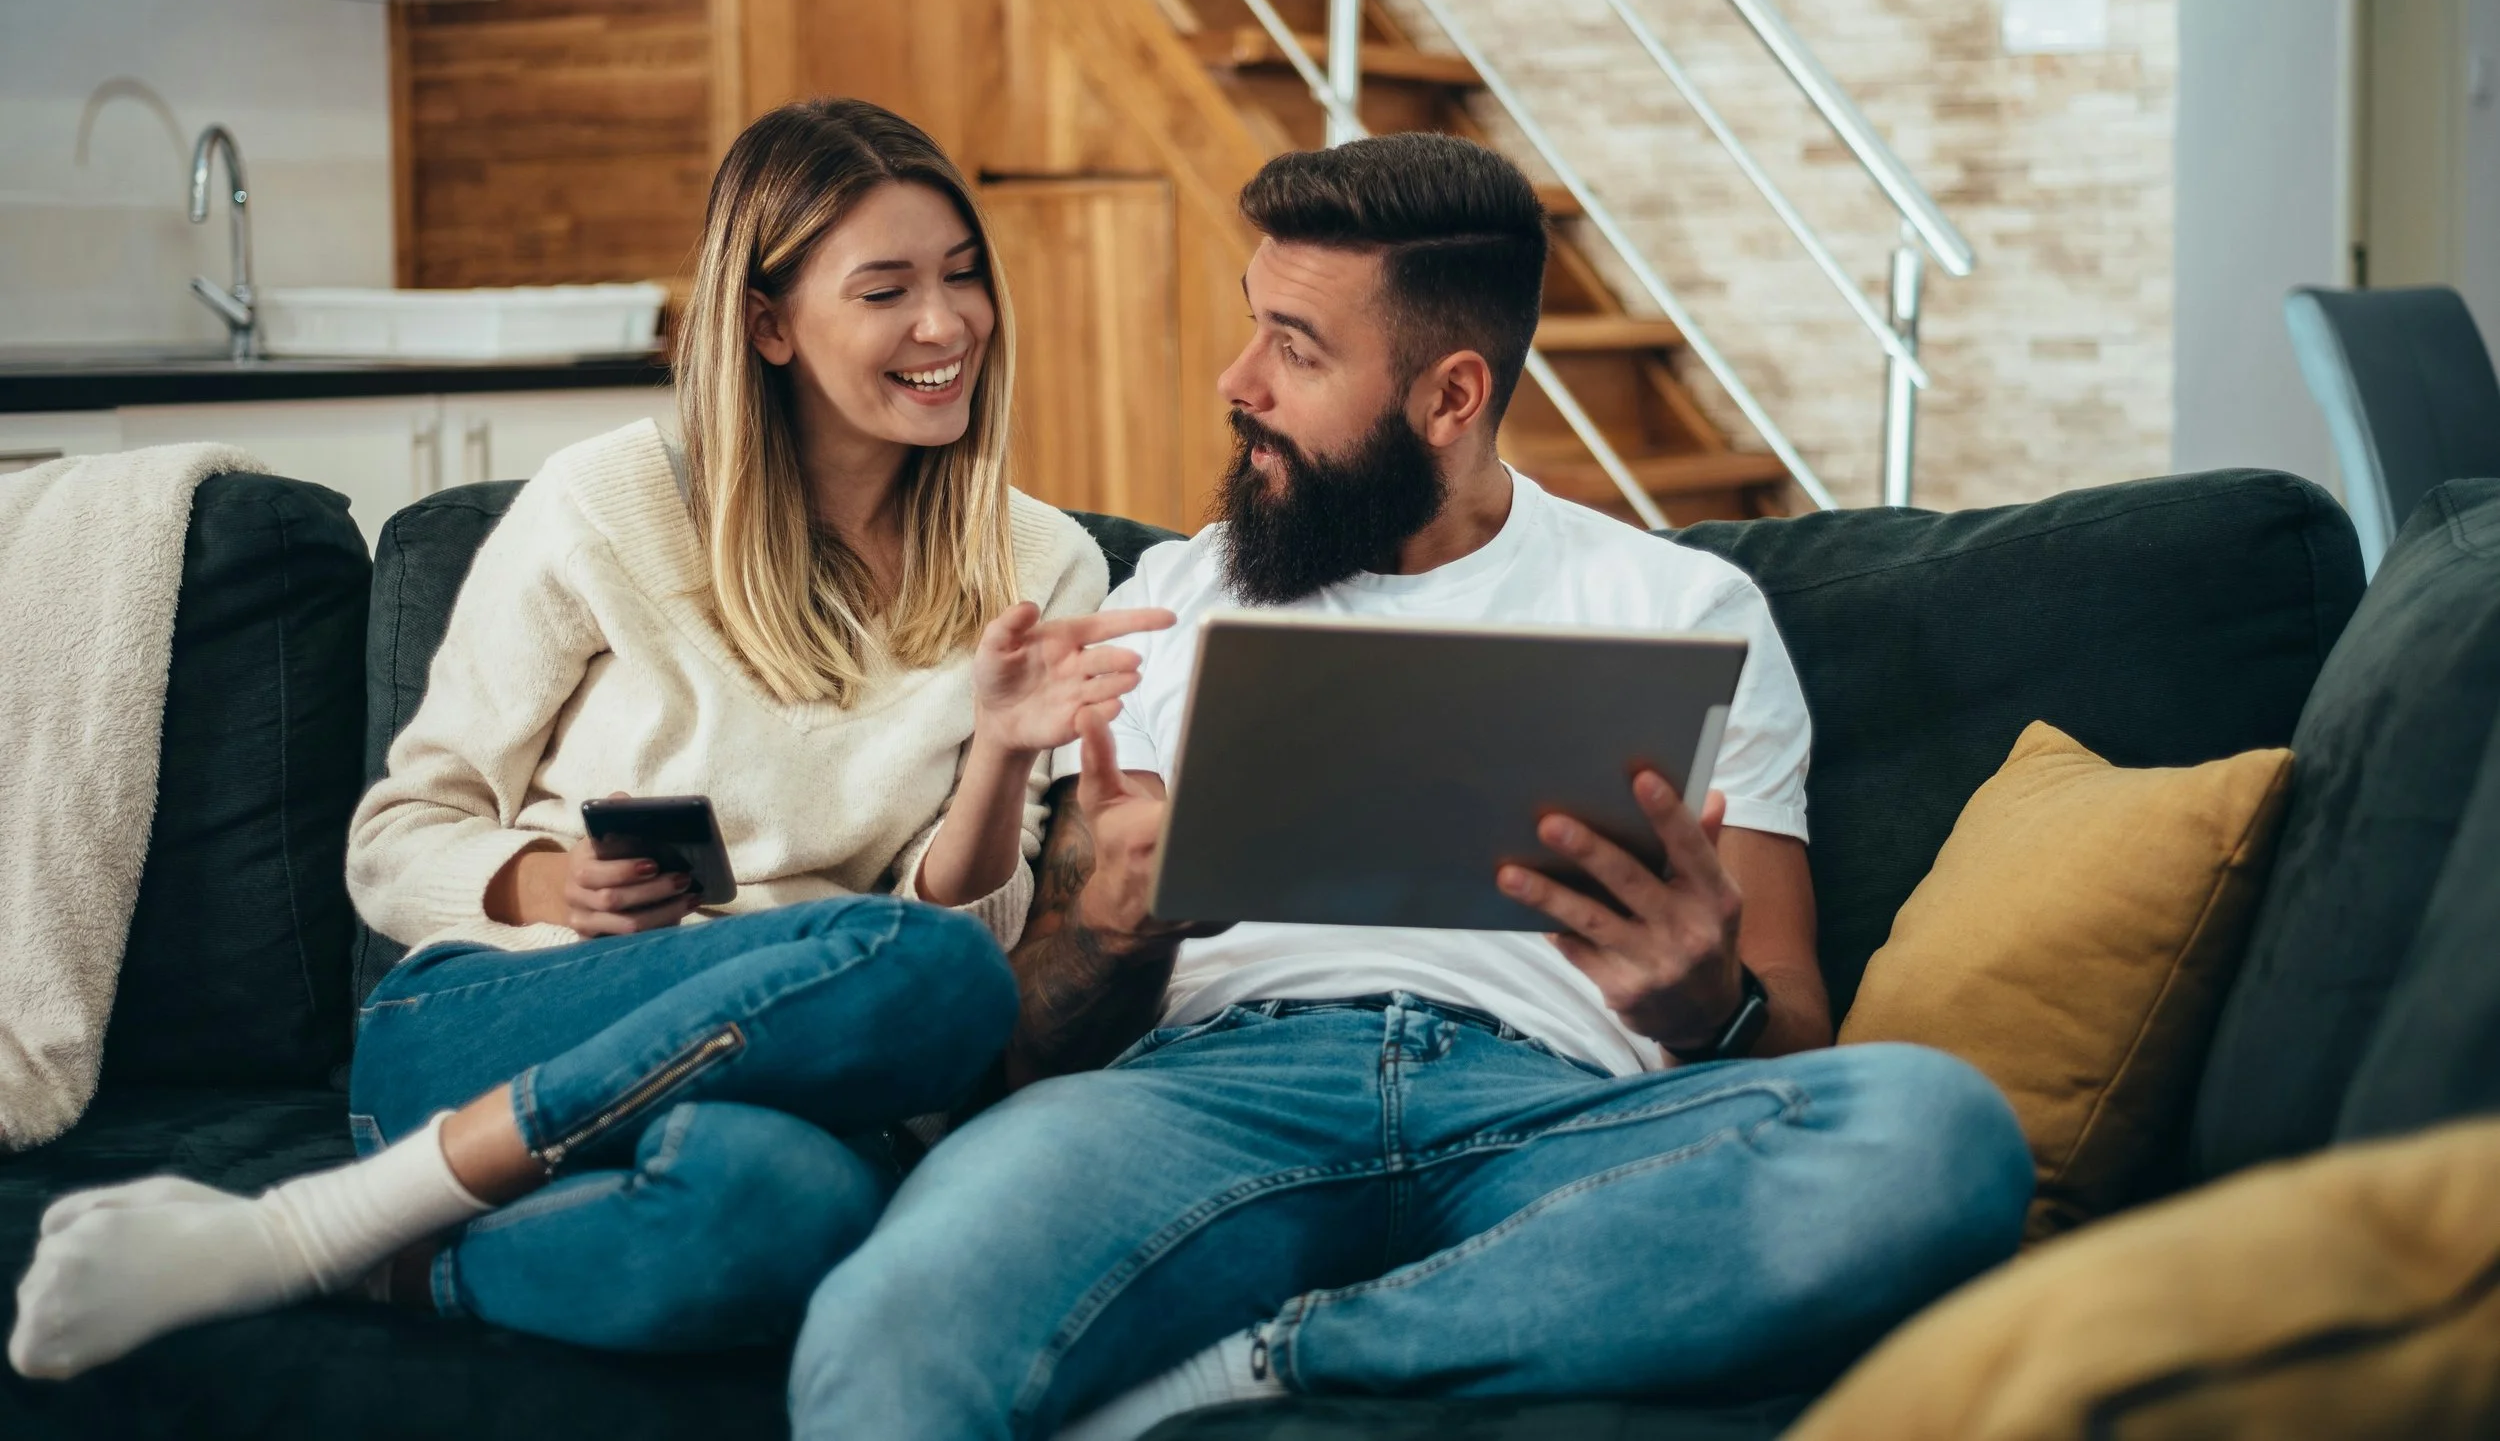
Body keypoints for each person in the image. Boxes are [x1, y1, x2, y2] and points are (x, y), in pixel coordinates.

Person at [784, 133, 2033, 1439]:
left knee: (1936, 1134)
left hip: (1556, 1125)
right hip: (1206, 1098)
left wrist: (1705, 1002)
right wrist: (1109, 932)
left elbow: (1796, 1042)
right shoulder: (1168, 605)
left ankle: (1278, 1359)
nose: (1239, 380)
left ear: (1449, 397)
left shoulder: (1687, 612)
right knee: (887, 1332)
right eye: (1252, 327)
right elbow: (1030, 1056)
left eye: (1296, 348)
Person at [7, 98, 1169, 1381]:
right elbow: (397, 840)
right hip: (504, 1019)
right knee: (932, 974)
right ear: (769, 323)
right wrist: (555, 884)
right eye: (886, 288)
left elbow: (976, 931)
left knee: (795, 1197)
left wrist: (1003, 752)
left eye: (962, 278)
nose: (945, 325)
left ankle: (354, 1252)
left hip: (795, 1070)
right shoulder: (610, 503)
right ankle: (315, 1215)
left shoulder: (1040, 561)